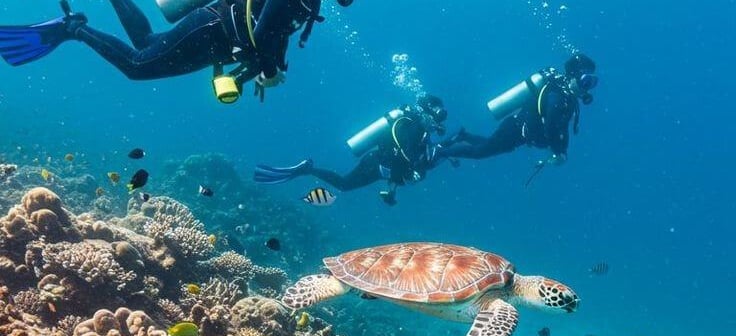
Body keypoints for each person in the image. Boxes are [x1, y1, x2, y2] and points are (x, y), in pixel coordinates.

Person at [0, 0, 354, 103]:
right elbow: (263, 33)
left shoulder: (311, 1)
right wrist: (270, 68)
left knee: (147, 43)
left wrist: (274, 65)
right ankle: (73, 28)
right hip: (211, 30)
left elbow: (278, 32)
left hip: (217, 39)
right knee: (138, 66)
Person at [254, 95, 448, 205]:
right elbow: (401, 153)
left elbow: (403, 160)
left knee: (344, 185)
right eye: (438, 115)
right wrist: (411, 170)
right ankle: (308, 169)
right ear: (428, 110)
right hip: (374, 164)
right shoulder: (410, 124)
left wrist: (393, 189)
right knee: (344, 185)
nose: (438, 122)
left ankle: (308, 169)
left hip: (379, 166)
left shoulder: (420, 131)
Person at [435, 54, 598, 171]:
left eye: (592, 83)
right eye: (586, 81)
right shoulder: (558, 96)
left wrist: (561, 151)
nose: (588, 88)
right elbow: (551, 126)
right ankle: (440, 152)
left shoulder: (567, 98)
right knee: (480, 152)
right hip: (514, 130)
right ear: (573, 77)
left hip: (517, 131)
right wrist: (558, 151)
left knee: (488, 145)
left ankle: (463, 136)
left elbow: (561, 128)